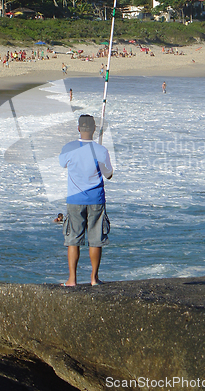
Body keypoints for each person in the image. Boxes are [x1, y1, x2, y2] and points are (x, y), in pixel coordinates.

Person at [59, 114, 113, 286]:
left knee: (73, 239)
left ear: (78, 128)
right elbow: (109, 174)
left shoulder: (69, 148)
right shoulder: (101, 150)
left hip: (75, 198)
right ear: (94, 129)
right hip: (96, 199)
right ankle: (94, 279)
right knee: (95, 239)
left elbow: (63, 164)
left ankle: (72, 279)